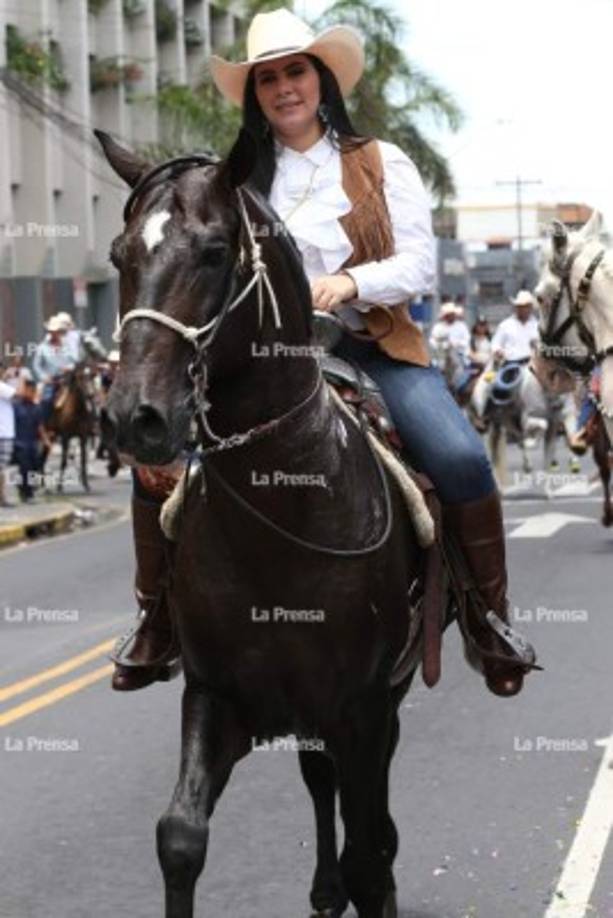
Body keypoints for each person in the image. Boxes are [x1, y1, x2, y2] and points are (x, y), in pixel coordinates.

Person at [111, 7, 536, 697]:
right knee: (153, 461)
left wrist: (348, 282)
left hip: (371, 348)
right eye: (268, 78)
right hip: (259, 363)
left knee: (459, 457)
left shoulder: (378, 161)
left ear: (321, 80)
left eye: (295, 72)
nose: (284, 88)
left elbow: (419, 264)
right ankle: (155, 621)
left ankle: (490, 622)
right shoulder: (234, 179)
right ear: (255, 93)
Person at [32, 316, 75, 422]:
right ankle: (46, 424)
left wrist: (69, 367)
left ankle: (94, 422)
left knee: (85, 395)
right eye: (51, 331)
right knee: (46, 400)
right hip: (51, 380)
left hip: (67, 379)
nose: (54, 333)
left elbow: (75, 360)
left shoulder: (68, 346)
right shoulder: (42, 347)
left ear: (59, 331)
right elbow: (36, 365)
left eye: (56, 331)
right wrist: (44, 377)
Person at [12, 380, 50, 502]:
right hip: (19, 442)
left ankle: (26, 489)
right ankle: (26, 494)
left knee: (34, 467)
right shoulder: (16, 406)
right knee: (25, 468)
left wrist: (46, 440)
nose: (31, 393)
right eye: (29, 391)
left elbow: (40, 426)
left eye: (33, 391)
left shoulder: (37, 408)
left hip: (32, 443)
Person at [491, 291, 539, 364]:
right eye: (520, 306)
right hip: (511, 363)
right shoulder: (505, 325)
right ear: (516, 307)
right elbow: (495, 344)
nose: (523, 309)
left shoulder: (537, 326)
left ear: (531, 308)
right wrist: (498, 351)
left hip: (533, 363)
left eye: (526, 306)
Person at [0, 365, 18, 508]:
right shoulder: (2, 386)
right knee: (2, 467)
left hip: (5, 432)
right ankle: (2, 498)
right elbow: (19, 395)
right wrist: (20, 378)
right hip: (3, 433)